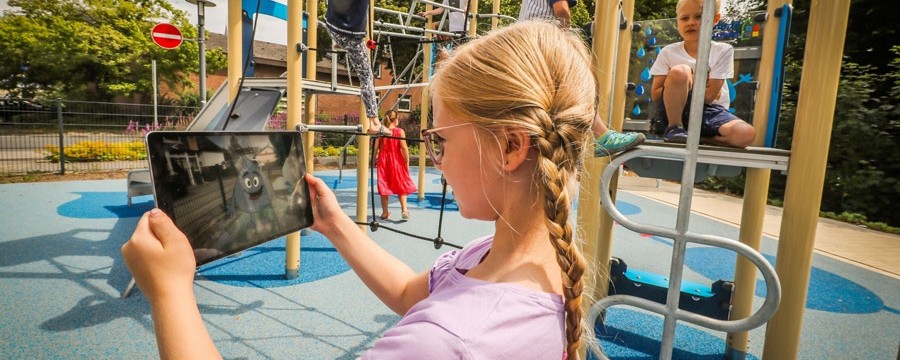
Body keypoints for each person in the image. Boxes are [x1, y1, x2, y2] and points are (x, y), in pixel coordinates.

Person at [121, 21, 595, 359]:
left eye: (441, 140)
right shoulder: (532, 259)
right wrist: (334, 223)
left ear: (510, 146)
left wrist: (169, 293)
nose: (436, 157)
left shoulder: (446, 342)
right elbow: (414, 293)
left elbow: (435, 322)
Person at [518, 0, 646, 156]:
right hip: (542, 40)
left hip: (527, 42)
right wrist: (566, 34)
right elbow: (562, 10)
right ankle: (602, 136)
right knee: (582, 80)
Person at [650, 0, 755, 147]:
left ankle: (698, 138)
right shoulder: (668, 52)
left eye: (699, 16)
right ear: (677, 22)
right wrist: (679, 80)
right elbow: (655, 94)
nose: (691, 22)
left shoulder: (723, 51)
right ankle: (674, 128)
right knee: (680, 72)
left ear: (715, 19)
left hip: (710, 112)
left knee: (746, 134)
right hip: (674, 110)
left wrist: (686, 84)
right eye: (684, 18)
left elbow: (710, 96)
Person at [323, 0, 387, 135]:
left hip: (331, 26)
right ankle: (374, 122)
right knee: (367, 78)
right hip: (351, 37)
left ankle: (340, 43)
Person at [373, 109, 417, 220]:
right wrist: (407, 161)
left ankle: (385, 212)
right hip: (397, 161)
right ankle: (404, 210)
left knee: (384, 186)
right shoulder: (399, 131)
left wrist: (374, 160)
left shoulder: (381, 131)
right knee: (401, 185)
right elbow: (404, 147)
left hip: (383, 161)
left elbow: (375, 148)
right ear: (396, 119)